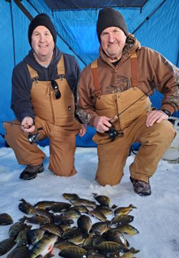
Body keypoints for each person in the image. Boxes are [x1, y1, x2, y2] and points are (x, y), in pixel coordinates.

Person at [77, 7, 179, 196]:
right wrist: (94, 120)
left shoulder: (147, 56)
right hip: (111, 134)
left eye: (116, 31)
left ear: (125, 33)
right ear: (99, 38)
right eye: (105, 33)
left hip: (142, 122)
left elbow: (177, 82)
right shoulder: (89, 72)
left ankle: (140, 175)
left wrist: (165, 110)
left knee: (164, 130)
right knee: (106, 181)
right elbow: (81, 107)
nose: (111, 38)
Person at [4, 13, 86, 180]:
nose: (42, 40)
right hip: (39, 122)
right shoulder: (21, 70)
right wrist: (26, 117)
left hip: (65, 125)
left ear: (53, 38)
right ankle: (34, 161)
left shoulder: (70, 62)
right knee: (13, 130)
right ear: (31, 40)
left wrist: (81, 119)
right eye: (36, 34)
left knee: (63, 171)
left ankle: (60, 157)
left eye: (46, 34)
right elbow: (20, 100)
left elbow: (81, 94)